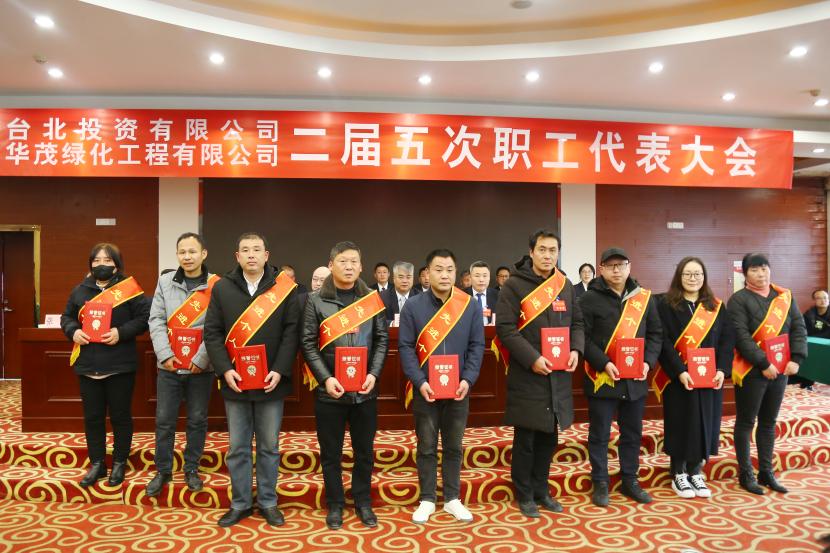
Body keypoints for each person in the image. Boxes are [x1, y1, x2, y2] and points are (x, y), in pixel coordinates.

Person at [204, 232, 301, 527]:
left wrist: (280, 369)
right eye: (245, 250)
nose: (251, 255)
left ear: (266, 255)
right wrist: (225, 370)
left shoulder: (284, 288)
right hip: (235, 382)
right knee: (238, 448)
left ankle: (269, 502)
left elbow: (292, 332)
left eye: (256, 250)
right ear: (237, 256)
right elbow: (212, 333)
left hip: (272, 381)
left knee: (269, 446)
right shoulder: (222, 288)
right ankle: (241, 503)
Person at [495, 230, 584, 517]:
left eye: (553, 250)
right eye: (542, 250)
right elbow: (505, 329)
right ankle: (524, 494)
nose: (548, 255)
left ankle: (541, 490)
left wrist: (576, 350)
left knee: (549, 438)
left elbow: (577, 323)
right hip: (528, 373)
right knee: (527, 439)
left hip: (557, 376)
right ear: (531, 252)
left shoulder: (564, 284)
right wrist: (532, 358)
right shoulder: (514, 285)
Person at [301, 241, 389, 530]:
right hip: (330, 392)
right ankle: (335, 503)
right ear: (331, 265)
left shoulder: (372, 299)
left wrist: (374, 374)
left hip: (365, 390)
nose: (349, 267)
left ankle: (363, 501)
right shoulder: (315, 300)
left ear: (361, 267)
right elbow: (308, 344)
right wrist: (326, 379)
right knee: (331, 453)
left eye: (354, 262)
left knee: (364, 451)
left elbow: (381, 340)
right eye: (342, 261)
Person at [399, 248, 484, 524]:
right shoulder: (413, 306)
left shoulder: (469, 305)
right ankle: (426, 498)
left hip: (458, 389)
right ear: (427, 273)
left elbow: (477, 345)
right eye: (438, 269)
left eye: (449, 270)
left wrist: (467, 379)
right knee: (426, 445)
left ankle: (451, 498)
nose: (444, 275)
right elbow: (406, 347)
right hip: (426, 389)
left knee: (453, 445)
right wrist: (419, 381)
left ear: (456, 273)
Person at [60, 243, 150, 488]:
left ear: (117, 265)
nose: (102, 264)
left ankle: (119, 462)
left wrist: (121, 332)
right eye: (97, 260)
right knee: (93, 418)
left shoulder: (129, 289)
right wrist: (73, 331)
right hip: (88, 365)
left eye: (108, 260)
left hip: (120, 365)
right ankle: (97, 463)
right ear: (90, 264)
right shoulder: (80, 290)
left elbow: (144, 319)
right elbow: (66, 317)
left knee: (120, 417)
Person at [580, 247, 662, 507]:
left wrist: (648, 362)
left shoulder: (644, 298)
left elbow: (655, 334)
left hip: (635, 380)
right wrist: (603, 363)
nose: (616, 270)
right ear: (601, 269)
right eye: (610, 266)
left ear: (629, 267)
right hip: (602, 378)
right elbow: (582, 337)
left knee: (632, 433)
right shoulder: (588, 299)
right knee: (600, 434)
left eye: (621, 265)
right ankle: (600, 481)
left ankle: (630, 479)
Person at [655, 257, 734, 499]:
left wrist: (722, 370)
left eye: (697, 274)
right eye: (687, 274)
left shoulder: (716, 306)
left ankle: (696, 470)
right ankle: (678, 472)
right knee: (681, 422)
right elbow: (664, 341)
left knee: (705, 423)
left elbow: (727, 340)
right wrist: (679, 371)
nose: (693, 278)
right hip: (680, 377)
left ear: (704, 277)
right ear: (679, 276)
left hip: (709, 378)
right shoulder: (666, 304)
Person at [728, 253, 807, 495]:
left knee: (769, 423)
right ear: (745, 274)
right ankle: (746, 474)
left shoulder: (784, 297)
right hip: (751, 371)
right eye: (754, 270)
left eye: (764, 268)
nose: (760, 274)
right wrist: (763, 362)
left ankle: (766, 471)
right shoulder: (738, 300)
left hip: (781, 371)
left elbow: (798, 328)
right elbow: (740, 336)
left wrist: (797, 358)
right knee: (746, 422)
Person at [146, 233, 218, 497]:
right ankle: (163, 470)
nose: (187, 257)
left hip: (201, 368)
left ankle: (191, 468)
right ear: (177, 255)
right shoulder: (165, 282)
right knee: (164, 420)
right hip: (169, 367)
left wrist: (201, 358)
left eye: (192, 252)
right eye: (182, 252)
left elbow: (217, 326)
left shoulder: (216, 286)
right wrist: (164, 355)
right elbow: (156, 320)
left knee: (197, 420)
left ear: (203, 254)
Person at [795, 288, 829, 389]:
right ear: (814, 300)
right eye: (819, 298)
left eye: (825, 298)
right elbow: (803, 329)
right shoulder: (809, 314)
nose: (823, 300)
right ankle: (806, 382)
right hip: (813, 344)